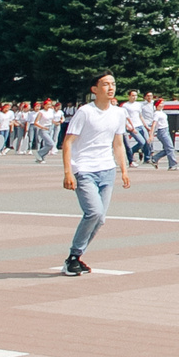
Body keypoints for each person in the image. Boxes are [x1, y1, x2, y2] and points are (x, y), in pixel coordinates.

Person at [60, 75, 132, 276]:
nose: (111, 88)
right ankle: (73, 257)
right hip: (84, 170)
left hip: (107, 170)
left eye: (113, 84)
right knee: (94, 212)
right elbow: (68, 143)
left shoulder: (119, 112)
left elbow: (118, 143)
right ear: (94, 89)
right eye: (106, 84)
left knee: (100, 219)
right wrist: (68, 172)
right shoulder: (85, 112)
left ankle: (76, 257)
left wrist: (123, 170)